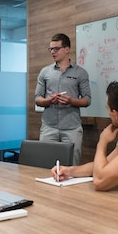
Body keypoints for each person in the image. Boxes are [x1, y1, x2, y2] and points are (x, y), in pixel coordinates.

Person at [35, 33, 91, 165]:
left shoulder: (80, 73)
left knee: (72, 166)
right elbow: (37, 98)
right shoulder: (45, 72)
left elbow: (87, 100)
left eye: (56, 49)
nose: (53, 52)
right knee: (45, 166)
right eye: (51, 49)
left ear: (67, 49)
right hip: (49, 127)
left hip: (72, 128)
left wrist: (71, 101)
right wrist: (49, 101)